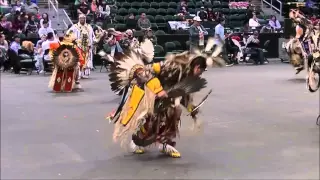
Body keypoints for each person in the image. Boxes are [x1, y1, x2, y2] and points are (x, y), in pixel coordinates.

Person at [107, 39, 221, 158]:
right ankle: (137, 142)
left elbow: (183, 93)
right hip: (148, 90)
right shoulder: (174, 66)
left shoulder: (188, 74)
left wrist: (191, 108)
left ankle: (165, 143)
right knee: (150, 118)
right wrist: (158, 90)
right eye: (201, 71)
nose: (201, 74)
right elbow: (145, 70)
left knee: (174, 111)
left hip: (165, 94)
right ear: (197, 67)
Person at [69, 14, 94, 78]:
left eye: (83, 18)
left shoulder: (89, 26)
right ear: (79, 19)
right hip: (78, 46)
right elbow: (69, 33)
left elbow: (92, 36)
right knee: (79, 60)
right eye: (81, 18)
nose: (82, 19)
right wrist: (73, 40)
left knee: (87, 60)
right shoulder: (75, 26)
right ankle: (78, 74)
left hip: (87, 46)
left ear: (85, 19)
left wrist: (92, 43)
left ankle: (85, 73)